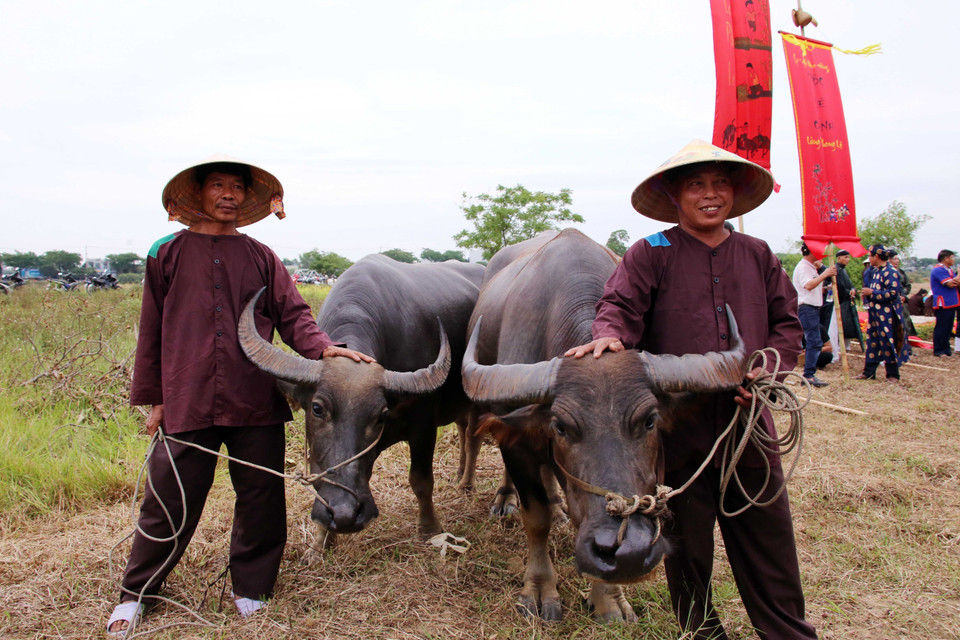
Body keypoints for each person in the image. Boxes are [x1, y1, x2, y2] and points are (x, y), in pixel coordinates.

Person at [106, 156, 375, 635]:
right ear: (200, 194)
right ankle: (137, 593)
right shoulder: (164, 252)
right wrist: (156, 398)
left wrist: (324, 349)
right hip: (187, 395)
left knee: (260, 496)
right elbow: (151, 331)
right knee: (168, 495)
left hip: (254, 397)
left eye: (236, 187)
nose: (227, 194)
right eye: (217, 185)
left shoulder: (261, 256)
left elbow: (293, 315)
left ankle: (251, 589)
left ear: (247, 199)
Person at [565, 140, 817, 640]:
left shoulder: (758, 253)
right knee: (686, 544)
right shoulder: (650, 252)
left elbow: (787, 324)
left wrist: (770, 373)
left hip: (748, 422)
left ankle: (788, 632)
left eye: (720, 184)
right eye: (696, 185)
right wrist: (609, 336)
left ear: (734, 193)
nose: (709, 194)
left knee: (769, 538)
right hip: (678, 426)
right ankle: (702, 633)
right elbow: (618, 307)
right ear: (674, 195)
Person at [856, 244, 908, 381]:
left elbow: (892, 293)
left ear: (876, 256)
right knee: (873, 342)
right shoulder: (875, 271)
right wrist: (867, 295)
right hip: (874, 313)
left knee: (888, 342)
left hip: (887, 315)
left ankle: (892, 374)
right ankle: (869, 372)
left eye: (870, 256)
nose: (869, 259)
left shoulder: (890, 272)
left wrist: (872, 293)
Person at [792, 243, 834, 387]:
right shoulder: (804, 267)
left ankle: (809, 374)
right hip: (806, 308)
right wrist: (825, 274)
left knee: (814, 341)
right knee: (814, 341)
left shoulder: (810, 267)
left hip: (811, 307)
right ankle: (808, 375)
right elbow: (808, 285)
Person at [929, 249, 960, 357]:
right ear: (946, 258)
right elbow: (951, 284)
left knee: (948, 327)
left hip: (951, 302)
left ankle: (946, 349)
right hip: (943, 303)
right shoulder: (939, 270)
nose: (953, 260)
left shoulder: (949, 270)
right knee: (941, 326)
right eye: (952, 257)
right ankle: (938, 349)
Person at [835, 249, 864, 350]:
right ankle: (840, 345)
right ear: (839, 258)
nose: (848, 259)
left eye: (848, 257)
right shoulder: (836, 270)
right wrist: (848, 292)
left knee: (849, 323)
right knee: (843, 323)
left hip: (848, 300)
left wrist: (853, 289)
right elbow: (839, 286)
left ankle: (847, 345)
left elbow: (850, 284)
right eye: (845, 257)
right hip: (841, 300)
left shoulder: (844, 270)